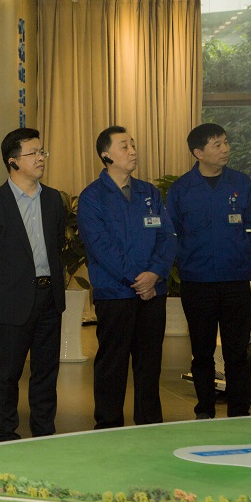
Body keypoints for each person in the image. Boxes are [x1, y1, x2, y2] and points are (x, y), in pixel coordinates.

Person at [0, 128, 66, 442]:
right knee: (8, 373)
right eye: (33, 153)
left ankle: (44, 431)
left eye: (42, 152)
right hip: (12, 301)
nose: (41, 158)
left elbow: (57, 246)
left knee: (46, 372)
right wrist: (5, 289)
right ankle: (5, 433)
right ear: (13, 161)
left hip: (49, 297)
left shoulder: (53, 200)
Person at [78, 126, 177, 429]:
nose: (133, 151)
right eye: (124, 146)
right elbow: (100, 247)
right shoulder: (92, 197)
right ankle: (108, 427)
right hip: (116, 294)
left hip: (152, 294)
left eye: (133, 144)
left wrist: (155, 274)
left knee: (149, 365)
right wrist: (138, 279)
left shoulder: (149, 193)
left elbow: (167, 236)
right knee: (112, 365)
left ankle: (149, 425)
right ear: (106, 155)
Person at [167, 122, 251, 419]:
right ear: (198, 152)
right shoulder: (181, 189)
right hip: (197, 283)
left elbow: (250, 227)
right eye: (217, 145)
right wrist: (187, 260)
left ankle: (239, 413)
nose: (225, 149)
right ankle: (204, 411)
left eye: (226, 142)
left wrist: (239, 253)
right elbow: (172, 233)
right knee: (202, 353)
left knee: (236, 352)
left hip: (235, 281)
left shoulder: (240, 182)